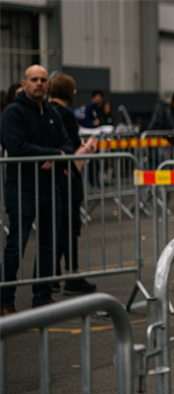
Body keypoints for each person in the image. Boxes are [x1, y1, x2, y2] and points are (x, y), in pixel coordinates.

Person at [1, 65, 74, 315]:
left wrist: (54, 155)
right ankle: (4, 300)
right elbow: (18, 146)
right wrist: (54, 154)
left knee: (48, 244)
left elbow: (67, 144)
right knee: (16, 245)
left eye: (43, 80)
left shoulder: (52, 113)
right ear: (24, 84)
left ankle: (41, 297)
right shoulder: (13, 113)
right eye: (34, 79)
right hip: (22, 188)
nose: (40, 83)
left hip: (49, 187)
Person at [48, 73, 99, 295]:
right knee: (69, 226)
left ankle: (51, 274)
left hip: (52, 177)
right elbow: (70, 149)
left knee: (58, 226)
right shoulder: (66, 116)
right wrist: (87, 148)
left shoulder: (46, 111)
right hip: (67, 177)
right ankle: (72, 273)